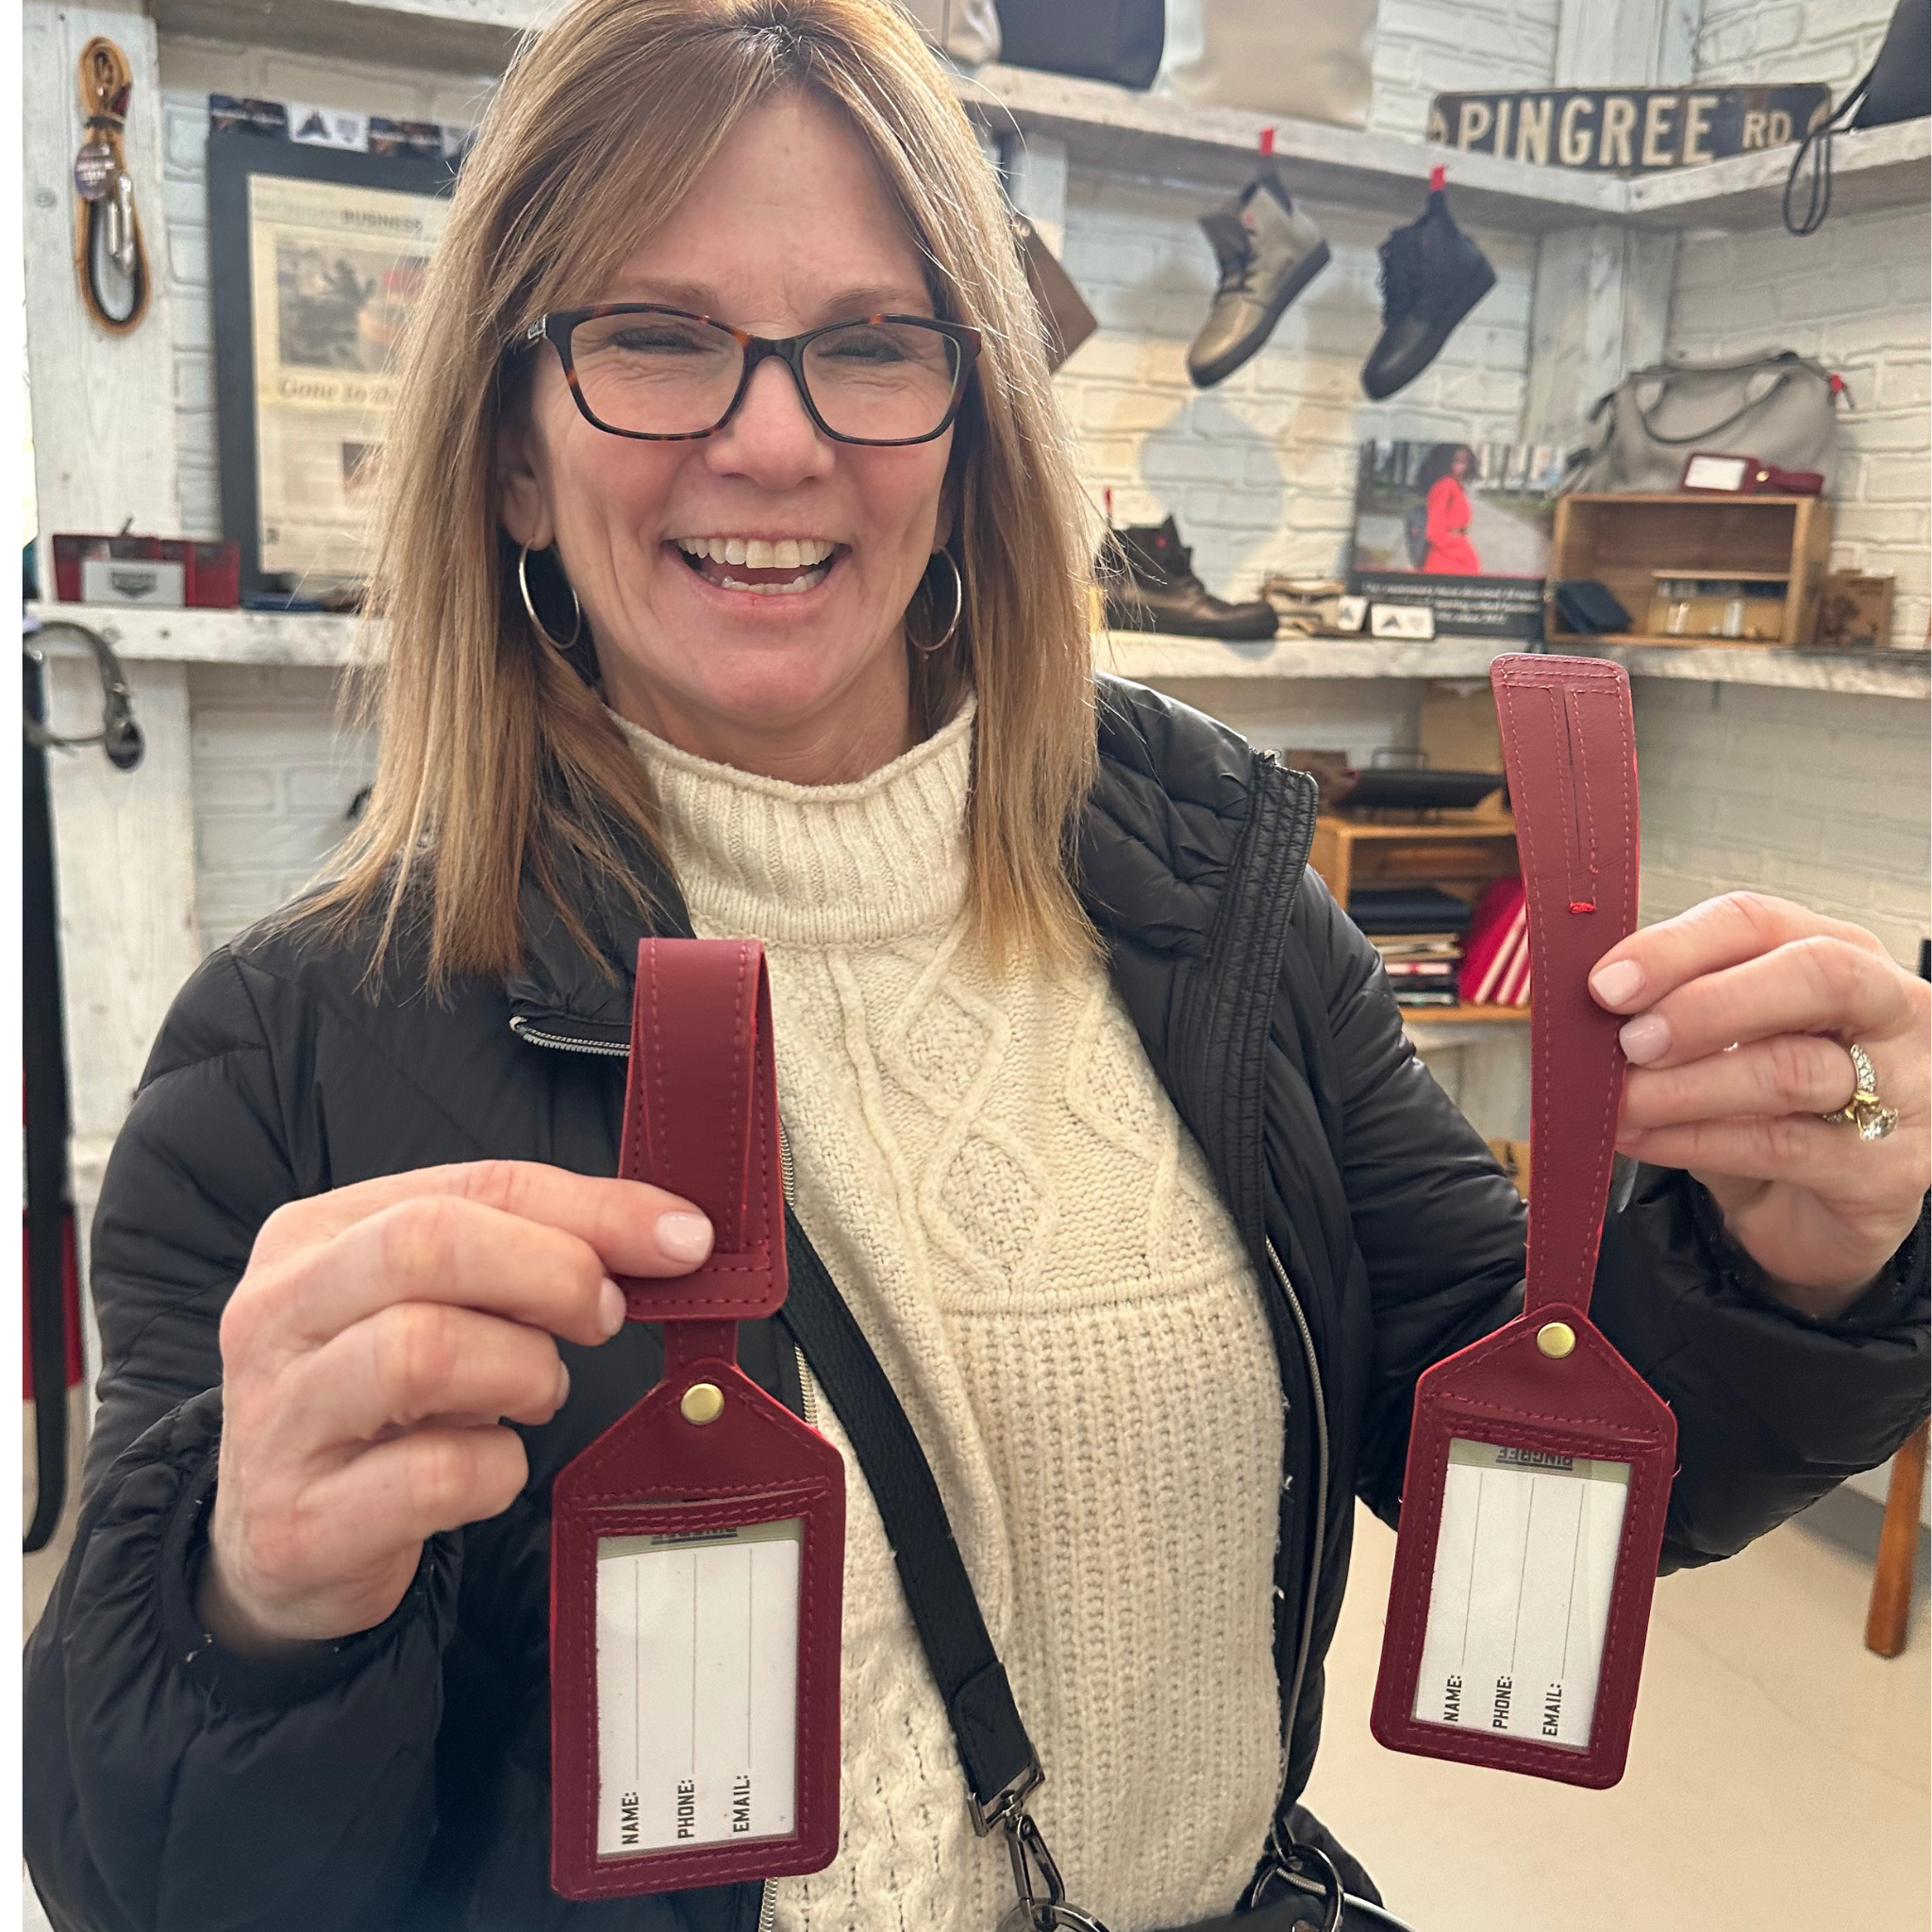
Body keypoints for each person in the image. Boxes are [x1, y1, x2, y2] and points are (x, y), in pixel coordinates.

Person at [24, 3, 1929, 1928]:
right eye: (655, 337)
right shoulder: (298, 1047)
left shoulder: (1218, 892)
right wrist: (249, 1603)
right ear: (511, 451)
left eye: (868, 344)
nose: (771, 438)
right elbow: (157, 1878)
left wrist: (1805, 1257)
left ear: (968, 425)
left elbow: (1547, 1443)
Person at [1415, 442, 1480, 575]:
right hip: (1445, 560)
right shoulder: (1444, 486)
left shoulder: (1455, 486)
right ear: (1445, 462)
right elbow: (1434, 533)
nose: (1461, 467)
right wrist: (1461, 552)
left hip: (1454, 555)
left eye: (1464, 461)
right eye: (1456, 461)